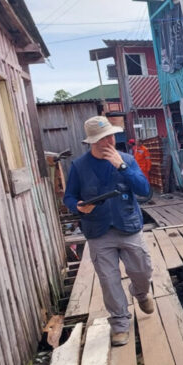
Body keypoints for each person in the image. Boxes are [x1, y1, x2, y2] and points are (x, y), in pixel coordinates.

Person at [63, 116, 154, 346]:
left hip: (129, 226)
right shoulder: (79, 166)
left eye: (111, 136)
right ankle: (120, 322)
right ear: (92, 142)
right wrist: (79, 206)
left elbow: (144, 190)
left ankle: (141, 293)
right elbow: (69, 197)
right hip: (98, 231)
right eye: (103, 138)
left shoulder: (127, 159)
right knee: (108, 279)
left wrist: (122, 167)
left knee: (142, 270)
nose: (110, 141)